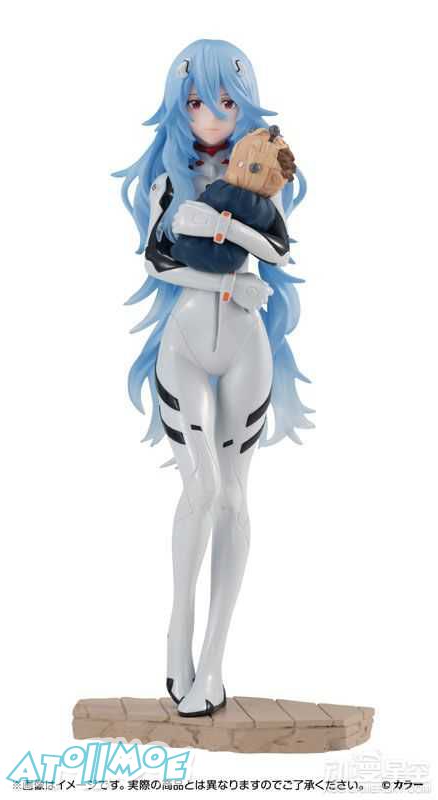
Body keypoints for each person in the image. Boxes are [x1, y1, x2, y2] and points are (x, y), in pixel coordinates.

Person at [114, 38, 312, 717]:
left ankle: (215, 661)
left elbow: (278, 250)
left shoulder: (257, 177)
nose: (210, 115)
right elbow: (157, 262)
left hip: (248, 347)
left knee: (233, 495)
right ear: (179, 104)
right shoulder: (170, 182)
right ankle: (178, 632)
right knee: (199, 488)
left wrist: (231, 231)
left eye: (225, 100)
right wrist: (227, 283)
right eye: (197, 101)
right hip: (187, 342)